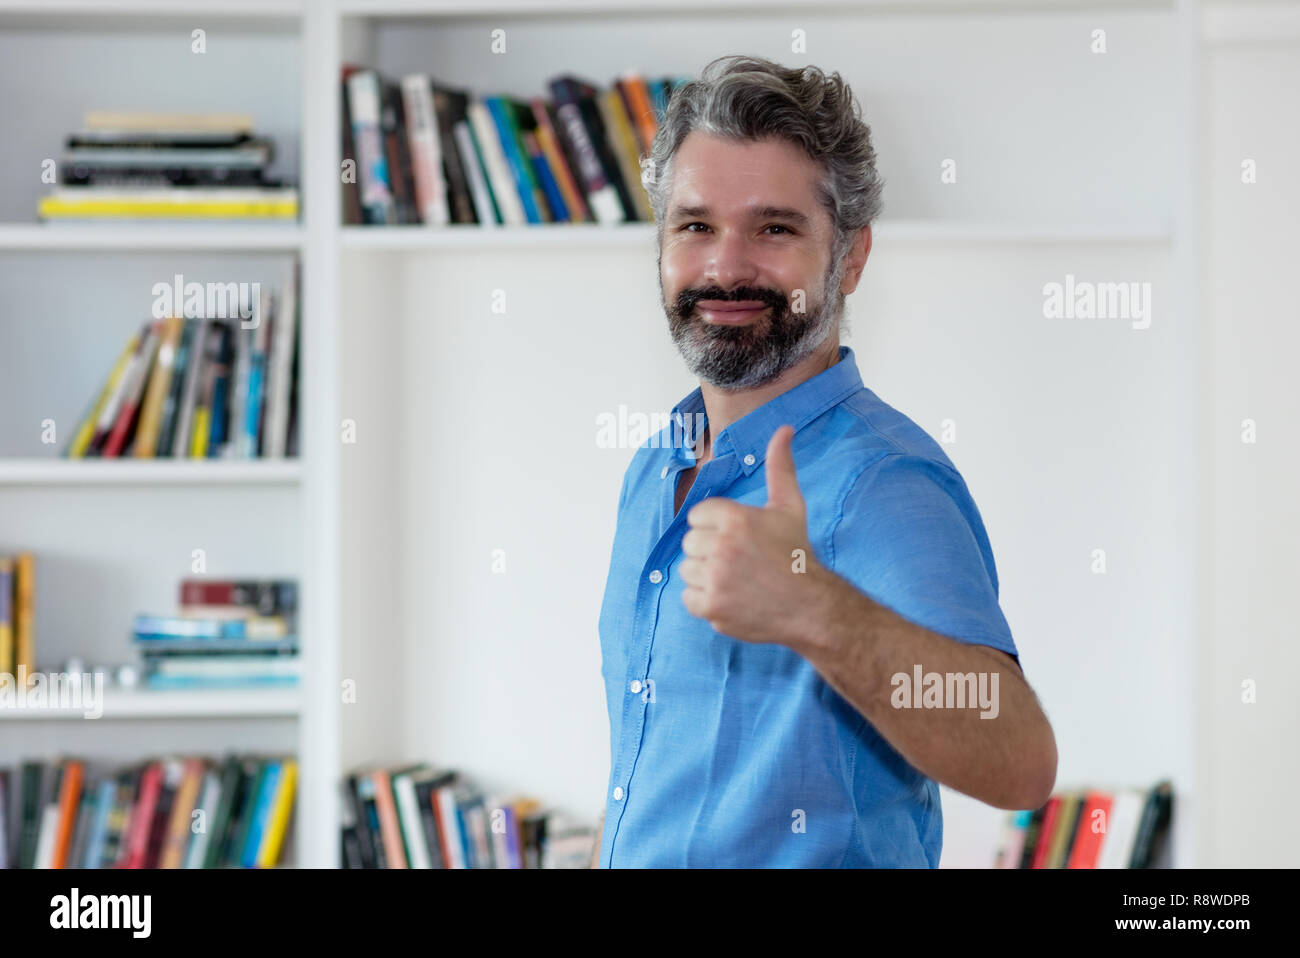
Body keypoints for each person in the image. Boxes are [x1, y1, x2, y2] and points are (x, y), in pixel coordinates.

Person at [594, 54, 1056, 868]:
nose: (726, 266)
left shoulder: (882, 483)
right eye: (696, 225)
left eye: (774, 228)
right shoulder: (658, 463)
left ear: (848, 258)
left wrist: (815, 609)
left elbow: (1018, 755)